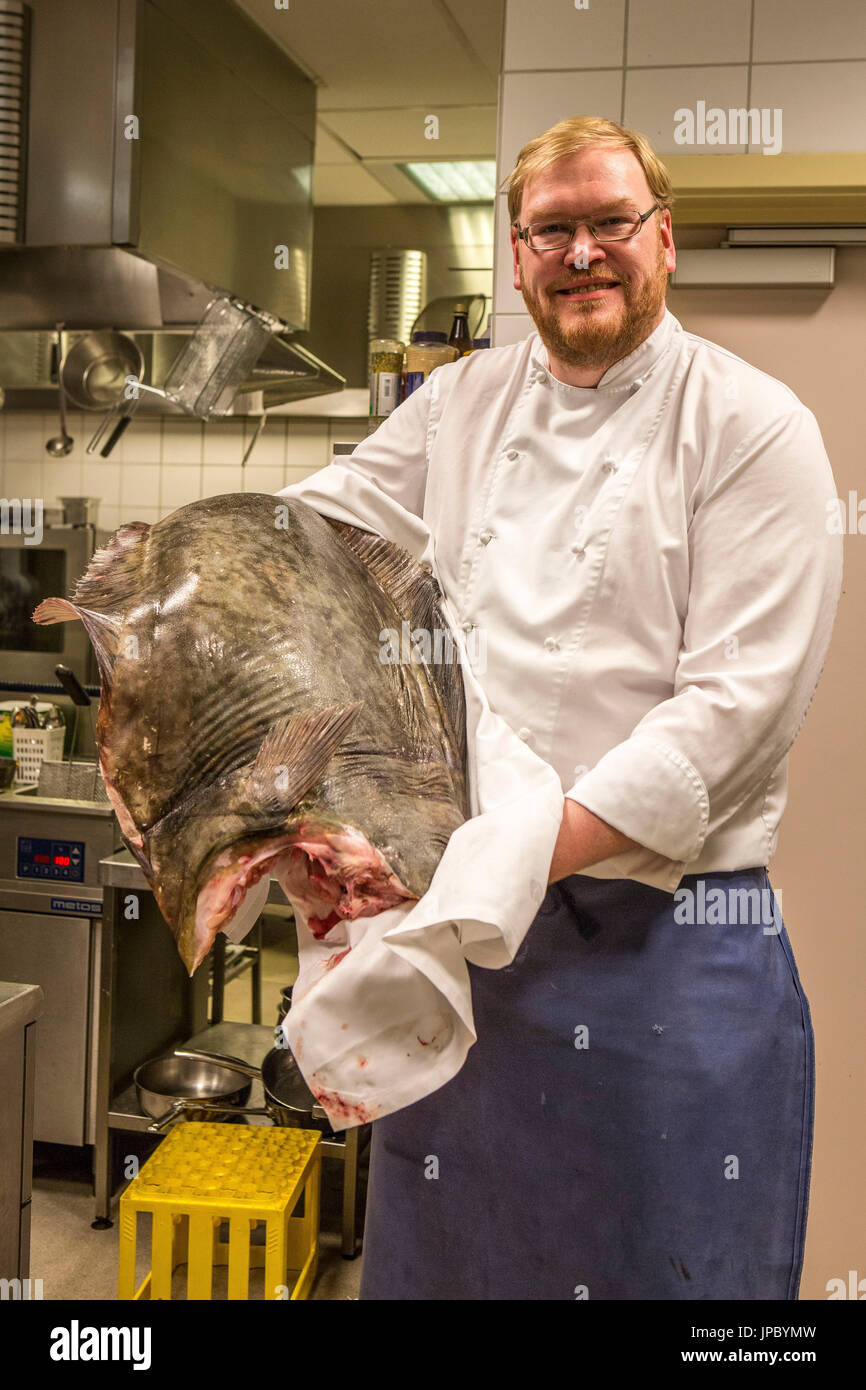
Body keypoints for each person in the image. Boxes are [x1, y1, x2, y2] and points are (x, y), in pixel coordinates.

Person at [278, 115, 842, 1300]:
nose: (581, 251)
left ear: (663, 240)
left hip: (662, 965)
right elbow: (306, 538)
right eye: (550, 230)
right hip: (473, 965)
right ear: (518, 256)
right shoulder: (456, 405)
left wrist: (496, 861)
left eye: (609, 223)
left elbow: (725, 726)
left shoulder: (752, 428)